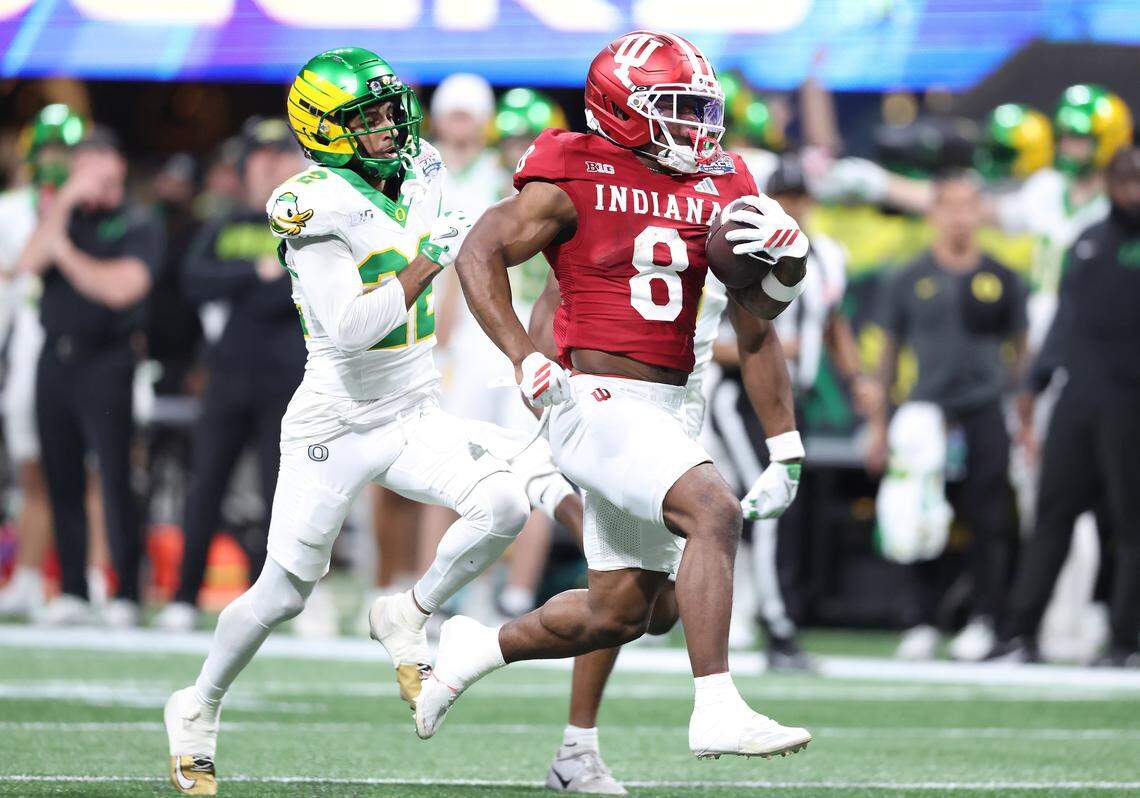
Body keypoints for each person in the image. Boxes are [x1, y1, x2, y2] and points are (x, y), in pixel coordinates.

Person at [412, 31, 812, 760]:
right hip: (594, 401)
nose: (696, 126)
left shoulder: (723, 180)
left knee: (628, 610)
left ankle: (476, 649)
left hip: (670, 407)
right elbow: (480, 249)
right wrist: (523, 356)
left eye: (700, 107)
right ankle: (716, 705)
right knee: (713, 509)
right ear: (622, 110)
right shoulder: (575, 167)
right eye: (676, 108)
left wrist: (785, 273)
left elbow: (755, 320)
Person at [161, 48, 536, 796]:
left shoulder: (423, 165)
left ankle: (409, 611)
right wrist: (429, 258)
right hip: (337, 419)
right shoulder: (310, 202)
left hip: (413, 408)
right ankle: (196, 704)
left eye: (391, 109)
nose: (389, 126)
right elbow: (354, 325)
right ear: (324, 131)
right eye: (367, 119)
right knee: (284, 591)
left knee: (503, 504)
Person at [153, 118, 308, 632]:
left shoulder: (311, 223)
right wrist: (251, 274)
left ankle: (268, 599)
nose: (266, 165)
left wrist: (253, 286)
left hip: (286, 378)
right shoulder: (227, 224)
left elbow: (289, 294)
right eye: (257, 158)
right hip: (228, 376)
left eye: (277, 156)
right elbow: (192, 280)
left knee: (279, 491)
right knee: (206, 486)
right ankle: (183, 594)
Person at [866, 170, 1028, 661]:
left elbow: (1020, 351)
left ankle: (984, 619)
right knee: (917, 517)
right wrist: (879, 424)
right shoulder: (909, 277)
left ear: (980, 212)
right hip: (925, 411)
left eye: (967, 205)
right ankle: (919, 618)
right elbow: (888, 354)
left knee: (988, 518)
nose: (959, 216)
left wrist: (1022, 416)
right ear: (934, 212)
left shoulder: (1003, 277)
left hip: (983, 410)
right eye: (950, 205)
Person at [989, 146, 1140, 668]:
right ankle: (1020, 634)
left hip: (1132, 401)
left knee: (1130, 524)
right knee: (1052, 515)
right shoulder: (1089, 241)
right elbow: (1064, 322)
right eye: (1124, 181)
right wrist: (1034, 383)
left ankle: (1126, 641)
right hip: (1079, 397)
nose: (1131, 192)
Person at [17, 126, 165, 628]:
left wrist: (66, 255)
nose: (91, 170)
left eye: (99, 157)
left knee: (116, 476)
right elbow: (23, 266)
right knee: (60, 476)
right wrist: (60, 210)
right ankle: (74, 589)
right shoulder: (65, 217)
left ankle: (125, 589)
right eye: (84, 160)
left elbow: (122, 289)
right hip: (54, 359)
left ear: (118, 165)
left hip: (108, 361)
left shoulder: (137, 222)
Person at [0, 104, 84, 619]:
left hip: (83, 349)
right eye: (49, 149)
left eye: (65, 150)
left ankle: (93, 577)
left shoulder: (95, 205)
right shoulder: (11, 209)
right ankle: (30, 576)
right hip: (30, 349)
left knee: (89, 474)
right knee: (33, 470)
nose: (55, 160)